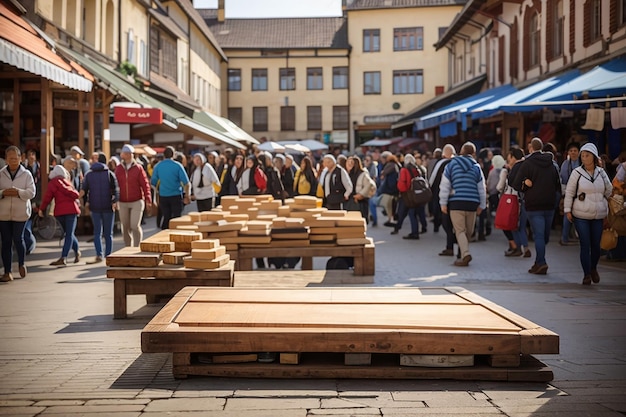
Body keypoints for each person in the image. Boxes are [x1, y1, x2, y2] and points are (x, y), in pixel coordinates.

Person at [563, 143, 612, 285]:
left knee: (596, 245)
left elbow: (609, 190)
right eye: (582, 156)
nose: (584, 158)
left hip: (598, 214)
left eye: (587, 155)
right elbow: (570, 193)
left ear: (594, 157)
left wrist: (603, 200)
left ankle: (593, 268)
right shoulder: (576, 173)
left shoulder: (601, 173)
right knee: (585, 244)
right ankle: (586, 274)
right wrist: (567, 210)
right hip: (580, 214)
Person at [512, 137, 561, 275]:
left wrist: (524, 183)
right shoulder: (552, 164)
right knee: (544, 236)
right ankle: (539, 262)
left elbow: (515, 184)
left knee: (539, 236)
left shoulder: (527, 164)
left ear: (530, 148)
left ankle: (541, 262)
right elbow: (558, 185)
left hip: (534, 205)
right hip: (549, 204)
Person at [439, 142, 486, 266]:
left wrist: (443, 202)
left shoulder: (451, 165)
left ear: (461, 152)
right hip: (472, 203)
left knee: (460, 231)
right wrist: (482, 204)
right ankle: (463, 254)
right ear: (473, 154)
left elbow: (445, 185)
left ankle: (465, 254)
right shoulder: (476, 167)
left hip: (456, 202)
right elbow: (481, 187)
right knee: (468, 232)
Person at [0, 146, 35, 282]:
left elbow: (31, 192)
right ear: (6, 159)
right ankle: (7, 271)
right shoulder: (1, 173)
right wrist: (3, 193)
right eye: (11, 158)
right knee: (6, 242)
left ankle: (21, 263)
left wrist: (18, 192)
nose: (13, 161)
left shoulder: (26, 174)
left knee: (18, 239)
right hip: (3, 214)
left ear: (20, 159)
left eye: (16, 158)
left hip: (20, 213)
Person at [38, 165, 81, 267]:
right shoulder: (68, 182)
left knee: (68, 233)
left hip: (60, 212)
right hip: (72, 211)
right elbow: (76, 195)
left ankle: (64, 257)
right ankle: (75, 252)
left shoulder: (52, 183)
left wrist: (41, 209)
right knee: (69, 234)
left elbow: (47, 198)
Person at [81, 152, 120, 263]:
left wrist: (85, 203)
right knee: (109, 233)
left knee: (97, 232)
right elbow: (116, 190)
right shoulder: (110, 174)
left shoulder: (89, 174)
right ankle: (109, 256)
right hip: (108, 207)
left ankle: (99, 254)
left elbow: (84, 190)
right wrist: (114, 201)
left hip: (95, 207)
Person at [115, 144, 152, 247]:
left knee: (134, 225)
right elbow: (114, 185)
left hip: (137, 201)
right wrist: (113, 199)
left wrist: (148, 199)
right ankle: (128, 247)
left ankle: (136, 246)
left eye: (129, 153)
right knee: (125, 226)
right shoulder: (118, 168)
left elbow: (145, 184)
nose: (126, 155)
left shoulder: (138, 168)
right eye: (125, 153)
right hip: (122, 202)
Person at [498, 148, 531, 258]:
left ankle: (519, 248)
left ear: (513, 157)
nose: (508, 159)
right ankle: (525, 248)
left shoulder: (517, 167)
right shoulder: (528, 164)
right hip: (527, 199)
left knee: (515, 225)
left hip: (516, 200)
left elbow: (512, 183)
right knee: (521, 226)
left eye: (509, 156)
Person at [150, 146, 190, 229]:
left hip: (163, 195)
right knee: (177, 218)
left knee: (166, 217)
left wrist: (154, 197)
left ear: (163, 155)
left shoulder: (158, 166)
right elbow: (187, 183)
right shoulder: (178, 166)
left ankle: (165, 234)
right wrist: (187, 195)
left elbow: (153, 183)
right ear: (174, 155)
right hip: (176, 195)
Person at [430, 144, 456, 255]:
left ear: (444, 154)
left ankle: (450, 245)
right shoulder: (458, 163)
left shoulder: (441, 163)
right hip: (459, 197)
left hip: (444, 197)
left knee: (446, 223)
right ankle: (459, 248)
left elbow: (432, 180)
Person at [392, 153, 421, 240]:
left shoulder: (404, 170)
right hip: (415, 194)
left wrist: (402, 192)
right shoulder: (417, 169)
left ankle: (398, 228)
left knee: (402, 212)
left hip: (406, 195)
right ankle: (415, 232)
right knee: (413, 214)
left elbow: (401, 184)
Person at [559, 141, 581, 245]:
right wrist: (564, 195)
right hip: (569, 193)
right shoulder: (565, 165)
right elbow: (563, 180)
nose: (573, 153)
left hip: (581, 193)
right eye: (571, 151)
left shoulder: (582, 163)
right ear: (568, 152)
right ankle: (564, 237)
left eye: (575, 151)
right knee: (568, 215)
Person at [346, 155, 374, 220]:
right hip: (351, 200)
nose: (349, 165)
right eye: (348, 163)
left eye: (351, 163)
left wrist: (361, 194)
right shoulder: (347, 173)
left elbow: (370, 184)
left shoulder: (363, 173)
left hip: (360, 201)